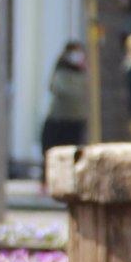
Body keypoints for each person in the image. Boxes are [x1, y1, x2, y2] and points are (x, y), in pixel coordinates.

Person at [40, 41, 87, 180]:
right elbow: (58, 88)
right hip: (58, 119)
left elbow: (83, 93)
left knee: (72, 155)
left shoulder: (85, 72)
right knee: (51, 152)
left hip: (76, 121)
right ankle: (47, 179)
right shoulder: (61, 71)